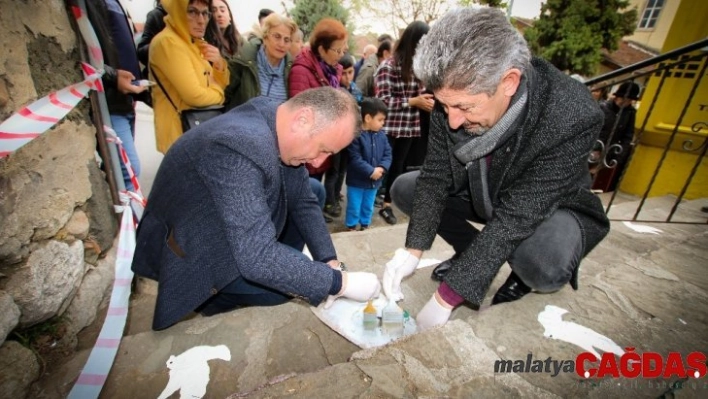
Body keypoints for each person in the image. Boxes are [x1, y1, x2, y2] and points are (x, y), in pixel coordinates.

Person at [381, 8, 610, 331]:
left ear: (509, 82)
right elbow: (435, 175)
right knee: (408, 188)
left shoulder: (572, 114)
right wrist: (413, 249)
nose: (453, 120)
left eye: (464, 107)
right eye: (444, 106)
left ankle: (518, 272)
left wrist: (447, 297)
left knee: (542, 266)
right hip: (485, 188)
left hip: (548, 206)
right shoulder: (454, 94)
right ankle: (471, 253)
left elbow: (519, 214)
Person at [132, 87, 381, 331]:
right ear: (303, 120)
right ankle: (214, 299)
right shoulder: (238, 146)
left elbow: (304, 200)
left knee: (313, 189)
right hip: (195, 246)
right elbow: (258, 257)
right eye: (323, 149)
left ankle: (282, 261)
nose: (319, 162)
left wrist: (329, 262)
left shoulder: (278, 117)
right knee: (280, 290)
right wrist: (339, 283)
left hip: (222, 216)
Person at [149, 0, 229, 154]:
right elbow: (195, 96)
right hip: (179, 135)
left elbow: (221, 83)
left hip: (194, 133)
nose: (201, 20)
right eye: (192, 11)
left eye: (205, 13)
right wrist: (219, 94)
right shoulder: (168, 42)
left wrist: (219, 63)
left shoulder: (194, 42)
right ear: (179, 12)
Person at [374, 21, 434, 225]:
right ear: (412, 43)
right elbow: (381, 102)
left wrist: (425, 101)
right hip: (389, 128)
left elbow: (422, 94)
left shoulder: (418, 69)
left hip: (409, 128)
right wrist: (413, 101)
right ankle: (365, 206)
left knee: (398, 168)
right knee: (382, 167)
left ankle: (387, 205)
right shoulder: (387, 67)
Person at [85, 0, 148, 192]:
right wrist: (112, 77)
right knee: (127, 173)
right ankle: (128, 221)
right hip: (108, 100)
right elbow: (82, 55)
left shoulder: (118, 5)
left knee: (127, 173)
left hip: (124, 100)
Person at [289, 17, 348, 210]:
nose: (341, 55)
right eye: (337, 50)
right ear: (322, 49)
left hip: (323, 146)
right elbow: (299, 115)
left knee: (315, 192)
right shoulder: (302, 70)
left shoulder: (331, 71)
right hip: (308, 149)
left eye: (343, 50)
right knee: (305, 196)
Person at [224, 13, 297, 110]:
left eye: (287, 40)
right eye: (277, 36)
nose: (281, 44)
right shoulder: (244, 60)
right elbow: (225, 96)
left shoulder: (292, 68)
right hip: (243, 123)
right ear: (265, 37)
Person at [345, 98, 392, 231]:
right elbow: (355, 159)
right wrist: (371, 171)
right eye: (380, 120)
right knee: (354, 206)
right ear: (367, 118)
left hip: (374, 182)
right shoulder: (356, 136)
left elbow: (388, 154)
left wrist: (382, 168)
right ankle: (351, 227)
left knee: (368, 205)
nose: (383, 124)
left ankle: (365, 225)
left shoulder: (382, 136)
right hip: (356, 182)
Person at [592, 81, 640, 191]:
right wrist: (595, 148)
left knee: (597, 179)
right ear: (617, 97)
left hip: (610, 151)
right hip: (593, 148)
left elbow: (628, 135)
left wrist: (620, 155)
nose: (625, 102)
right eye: (623, 98)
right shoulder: (603, 107)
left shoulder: (630, 113)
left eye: (629, 100)